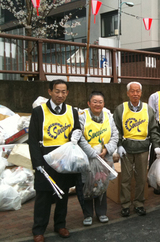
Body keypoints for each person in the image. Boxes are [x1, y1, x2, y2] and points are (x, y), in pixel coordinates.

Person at [29, 79, 82, 242]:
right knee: (43, 195)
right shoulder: (39, 112)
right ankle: (38, 230)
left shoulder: (72, 111)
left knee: (63, 194)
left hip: (64, 159)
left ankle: (60, 225)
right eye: (57, 91)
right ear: (50, 91)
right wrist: (37, 163)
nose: (60, 95)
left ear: (68, 93)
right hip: (45, 158)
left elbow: (77, 132)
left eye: (64, 91)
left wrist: (77, 135)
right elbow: (32, 139)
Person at [113, 82, 160, 217]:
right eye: (132, 91)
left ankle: (139, 204)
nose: (135, 94)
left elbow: (153, 129)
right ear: (128, 93)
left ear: (141, 93)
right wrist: (119, 145)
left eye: (138, 91)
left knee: (141, 179)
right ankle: (125, 205)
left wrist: (157, 146)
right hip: (126, 149)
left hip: (143, 148)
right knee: (125, 179)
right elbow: (115, 129)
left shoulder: (148, 109)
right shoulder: (120, 109)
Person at [78, 91, 118, 226]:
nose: (97, 104)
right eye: (94, 101)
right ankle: (88, 214)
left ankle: (101, 213)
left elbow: (115, 134)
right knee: (88, 185)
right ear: (89, 103)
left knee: (101, 184)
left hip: (104, 157)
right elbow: (79, 137)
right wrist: (92, 152)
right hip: (88, 158)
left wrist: (107, 149)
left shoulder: (108, 115)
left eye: (100, 102)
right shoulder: (82, 116)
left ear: (104, 104)